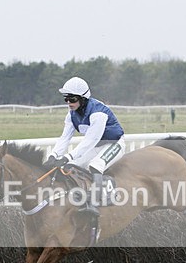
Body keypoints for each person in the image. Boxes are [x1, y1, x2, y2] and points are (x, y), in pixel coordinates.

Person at [43, 76, 125, 217]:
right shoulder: (71, 115)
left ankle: (94, 203)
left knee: (95, 165)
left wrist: (67, 156)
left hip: (114, 143)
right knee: (71, 166)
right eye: (66, 99)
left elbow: (90, 140)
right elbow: (64, 138)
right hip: (96, 145)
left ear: (83, 98)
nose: (69, 102)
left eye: (72, 99)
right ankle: (78, 197)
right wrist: (53, 155)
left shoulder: (98, 113)